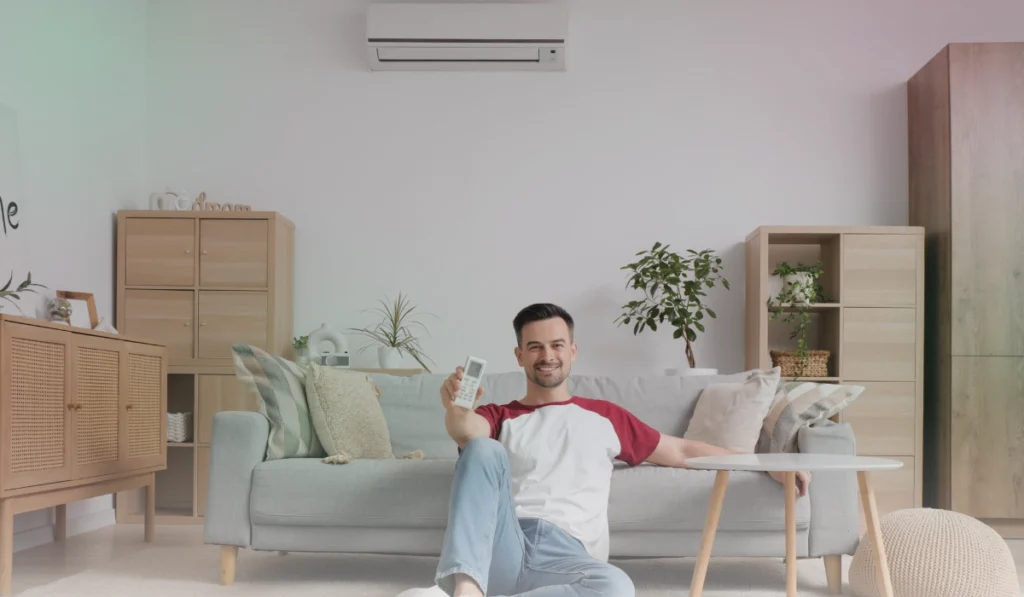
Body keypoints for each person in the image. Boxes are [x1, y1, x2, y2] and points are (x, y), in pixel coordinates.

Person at [434, 303, 810, 597]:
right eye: (535, 347)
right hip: (505, 542)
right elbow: (467, 434)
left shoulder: (605, 417)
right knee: (482, 449)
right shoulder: (499, 415)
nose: (546, 355)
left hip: (569, 554)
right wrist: (456, 409)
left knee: (616, 588)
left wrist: (765, 464)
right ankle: (467, 588)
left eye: (556, 345)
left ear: (573, 351)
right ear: (519, 356)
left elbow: (680, 451)